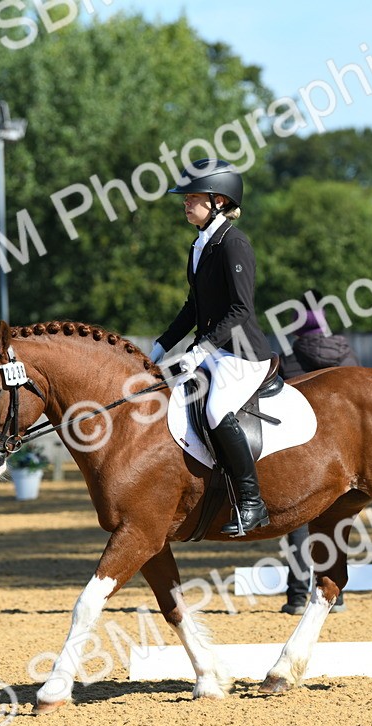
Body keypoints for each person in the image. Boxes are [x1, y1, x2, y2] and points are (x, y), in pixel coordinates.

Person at [149, 159, 275, 535]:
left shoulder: (233, 244)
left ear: (219, 200)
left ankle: (253, 503)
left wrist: (201, 349)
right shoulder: (200, 244)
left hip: (243, 354)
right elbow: (193, 307)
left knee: (218, 409)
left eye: (192, 198)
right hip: (213, 350)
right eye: (185, 199)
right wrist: (160, 347)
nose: (185, 204)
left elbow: (240, 309)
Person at [277, 295, 358, 613]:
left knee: (298, 524)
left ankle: (298, 597)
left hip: (303, 451)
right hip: (347, 453)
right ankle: (336, 595)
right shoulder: (348, 356)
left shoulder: (288, 359)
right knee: (338, 523)